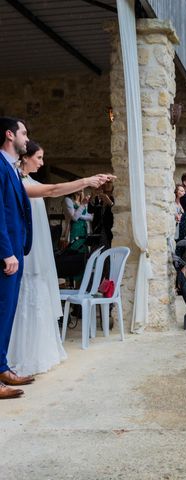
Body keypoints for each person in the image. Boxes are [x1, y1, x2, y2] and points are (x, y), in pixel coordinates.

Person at [7, 140, 113, 376]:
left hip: (38, 252)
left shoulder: (30, 181)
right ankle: (17, 355)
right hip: (27, 250)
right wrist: (86, 180)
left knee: (37, 292)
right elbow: (53, 190)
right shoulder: (15, 181)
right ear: (25, 158)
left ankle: (38, 351)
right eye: (39, 158)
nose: (42, 162)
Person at [0, 117, 33, 399]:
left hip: (15, 251)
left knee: (7, 313)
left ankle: (2, 368)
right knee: (0, 313)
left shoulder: (10, 167)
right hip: (6, 254)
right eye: (24, 133)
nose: (27, 138)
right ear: (9, 135)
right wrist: (7, 252)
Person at [64, 190, 93, 255]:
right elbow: (74, 218)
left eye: (82, 188)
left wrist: (79, 214)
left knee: (83, 253)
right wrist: (83, 204)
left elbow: (90, 217)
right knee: (74, 252)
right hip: (74, 229)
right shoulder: (68, 200)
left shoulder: (82, 201)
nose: (81, 189)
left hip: (83, 229)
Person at [88, 181, 115, 248]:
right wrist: (92, 196)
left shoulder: (115, 197)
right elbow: (90, 210)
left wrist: (110, 203)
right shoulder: (98, 197)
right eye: (105, 182)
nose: (107, 184)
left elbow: (116, 211)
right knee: (96, 250)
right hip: (98, 230)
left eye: (109, 182)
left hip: (110, 230)